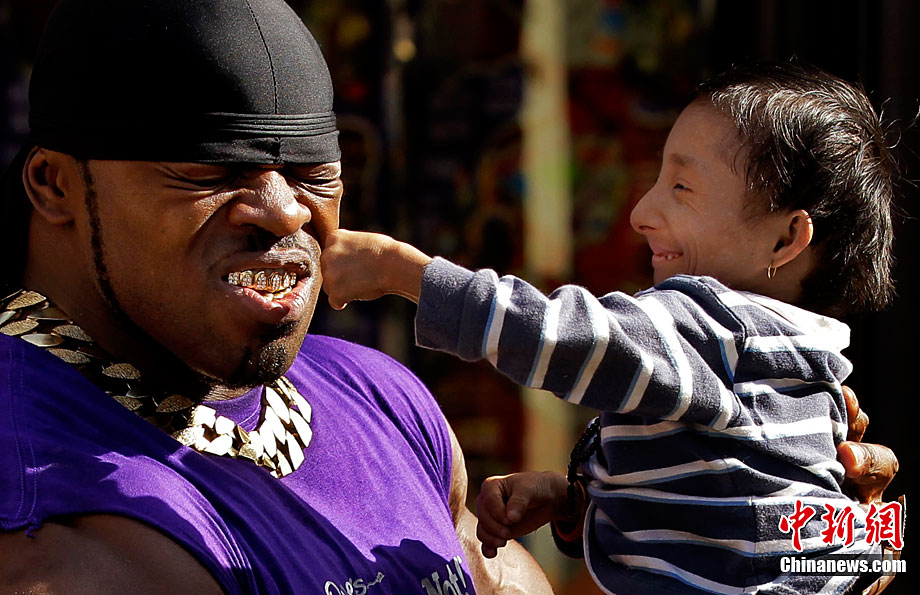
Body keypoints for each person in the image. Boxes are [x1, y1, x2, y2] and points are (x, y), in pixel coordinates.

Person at [0, 0, 556, 592]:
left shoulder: (380, 397)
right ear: (54, 184)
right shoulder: (56, 523)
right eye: (210, 171)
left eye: (314, 175)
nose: (286, 212)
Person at [321, 62, 904, 593]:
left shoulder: (716, 326)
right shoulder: (806, 370)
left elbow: (566, 336)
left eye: (681, 187)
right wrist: (578, 499)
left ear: (786, 238)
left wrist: (409, 275)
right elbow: (734, 514)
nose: (641, 213)